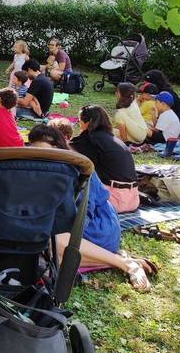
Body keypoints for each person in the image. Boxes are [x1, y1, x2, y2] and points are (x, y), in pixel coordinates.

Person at [27, 125, 153, 292]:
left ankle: (127, 264)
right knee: (41, 248)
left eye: (45, 152)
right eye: (35, 152)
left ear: (58, 148)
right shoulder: (44, 170)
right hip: (70, 232)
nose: (40, 157)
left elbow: (84, 214)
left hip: (98, 226)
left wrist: (60, 232)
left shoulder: (79, 168)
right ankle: (113, 258)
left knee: (51, 244)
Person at [71, 105, 139, 213]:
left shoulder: (89, 139)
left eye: (80, 121)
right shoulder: (114, 140)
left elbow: (65, 153)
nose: (79, 125)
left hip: (111, 201)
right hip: (133, 200)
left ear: (88, 122)